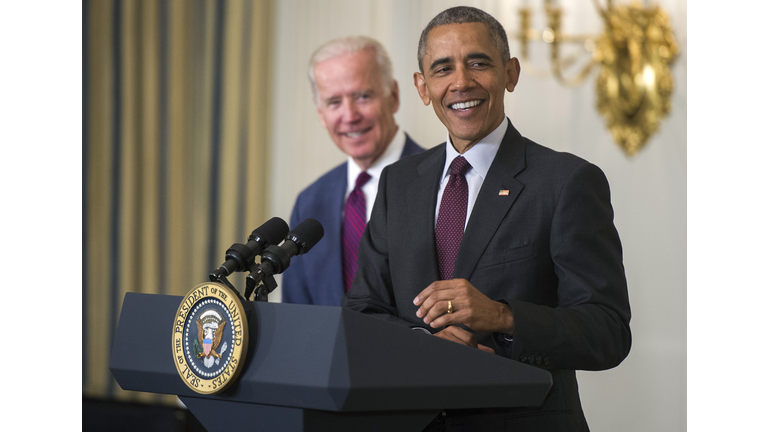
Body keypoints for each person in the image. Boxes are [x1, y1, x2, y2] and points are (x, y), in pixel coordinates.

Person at [342, 6, 631, 431]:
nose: (461, 82)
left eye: (478, 63)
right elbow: (362, 312)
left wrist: (502, 316)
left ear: (510, 73)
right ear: (423, 87)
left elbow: (607, 331)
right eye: (443, 69)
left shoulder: (566, 181)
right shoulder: (397, 183)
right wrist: (422, 345)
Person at [282, 36, 424, 306]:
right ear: (321, 113)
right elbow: (296, 315)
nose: (350, 116)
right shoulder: (309, 203)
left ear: (393, 97)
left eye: (363, 96)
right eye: (334, 102)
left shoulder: (444, 180)